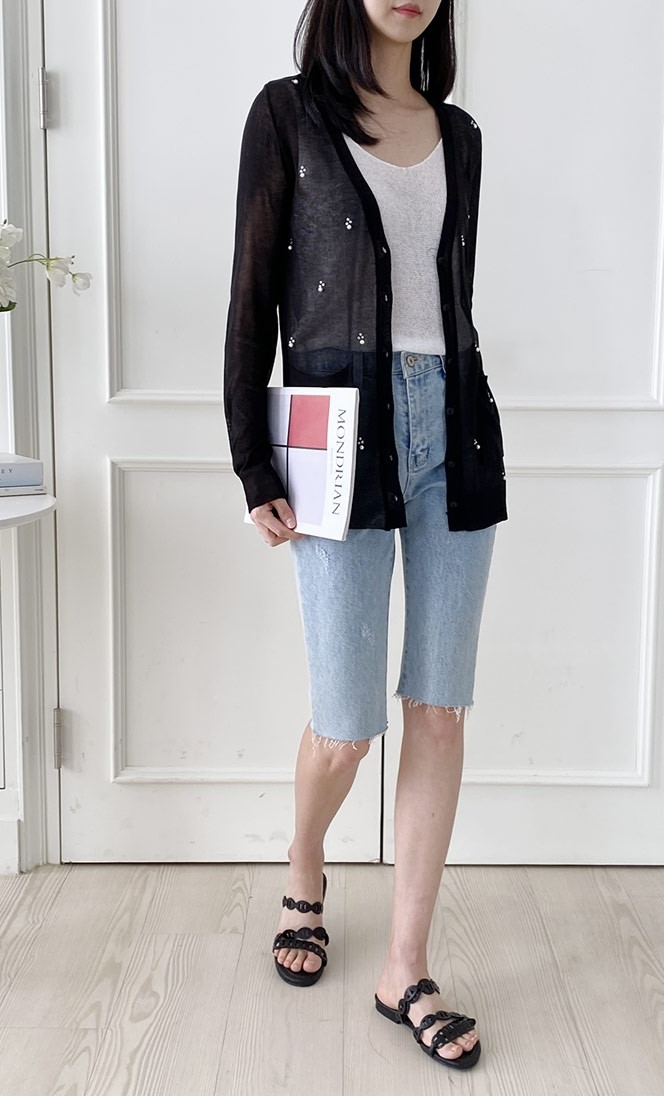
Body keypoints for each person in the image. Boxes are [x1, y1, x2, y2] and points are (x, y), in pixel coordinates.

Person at [223, 0, 508, 1072]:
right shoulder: (287, 114)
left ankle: (406, 967)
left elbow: (447, 300)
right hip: (334, 432)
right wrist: (253, 461)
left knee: (438, 706)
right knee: (346, 724)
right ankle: (305, 860)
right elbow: (252, 298)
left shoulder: (458, 133)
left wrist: (448, 411)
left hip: (454, 426)